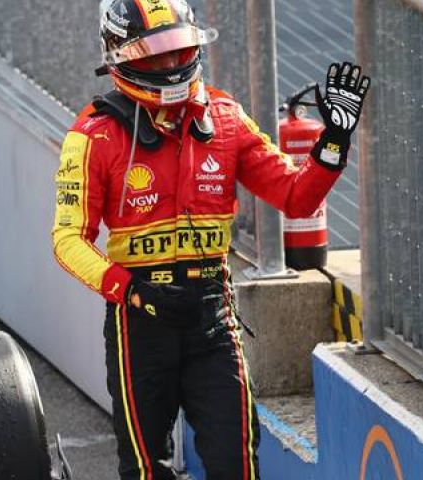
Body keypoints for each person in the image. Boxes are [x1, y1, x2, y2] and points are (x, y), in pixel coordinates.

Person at [51, 0, 370, 478]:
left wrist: (334, 141)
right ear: (121, 57)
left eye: (179, 51)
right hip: (140, 321)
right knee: (143, 468)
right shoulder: (93, 136)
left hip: (213, 319)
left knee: (237, 462)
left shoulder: (226, 119)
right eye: (156, 56)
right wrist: (131, 290)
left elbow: (297, 198)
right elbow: (67, 241)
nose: (171, 65)